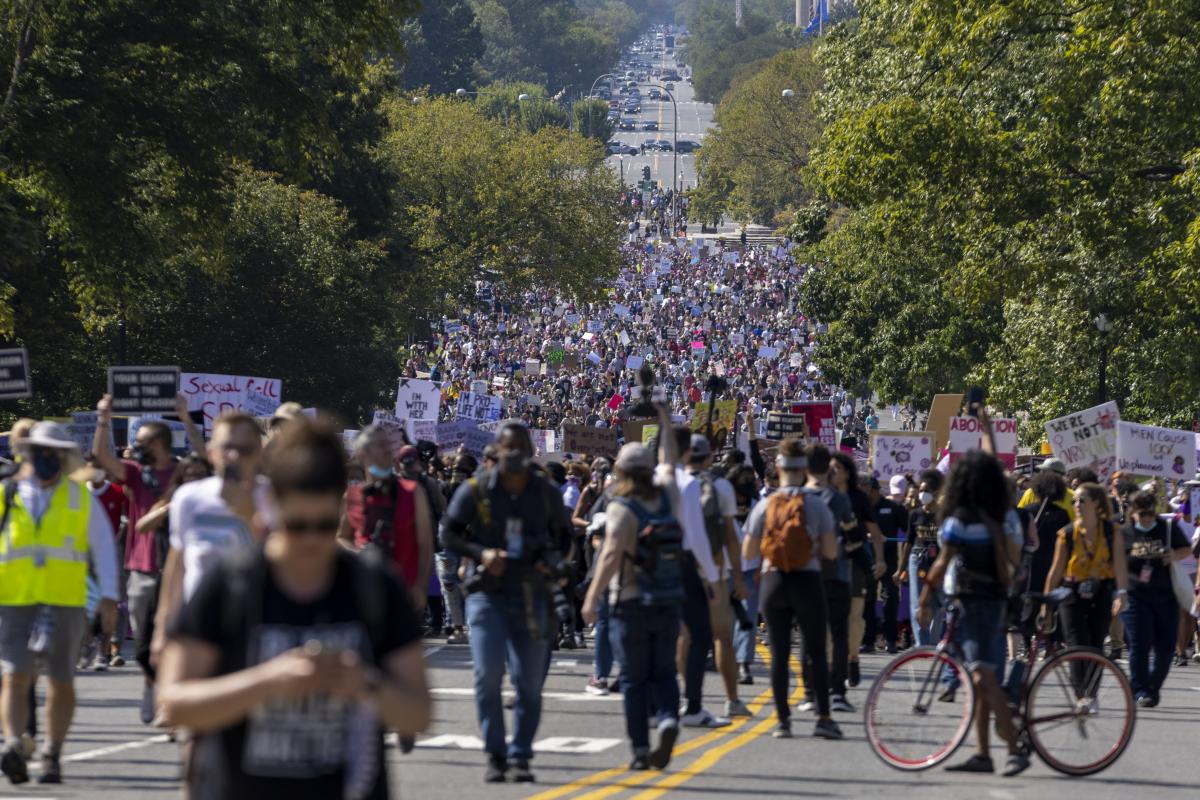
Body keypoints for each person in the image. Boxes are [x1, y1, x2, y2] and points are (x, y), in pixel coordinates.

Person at [158, 420, 431, 799]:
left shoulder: (373, 585)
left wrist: (364, 683)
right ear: (272, 506)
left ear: (341, 508)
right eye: (296, 525)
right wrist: (268, 682)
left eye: (323, 525)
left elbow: (418, 713)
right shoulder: (231, 582)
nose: (310, 540)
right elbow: (174, 704)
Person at [439, 421, 572, 783]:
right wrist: (481, 553)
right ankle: (496, 754)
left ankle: (521, 756)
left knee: (529, 683)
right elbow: (448, 534)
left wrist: (552, 561)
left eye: (520, 446)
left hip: (532, 594)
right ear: (496, 450)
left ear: (530, 451)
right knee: (487, 676)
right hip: (488, 595)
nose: (514, 452)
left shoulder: (545, 492)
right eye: (507, 446)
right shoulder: (476, 490)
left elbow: (564, 537)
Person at [0, 422, 120, 785]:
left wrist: (109, 597)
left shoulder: (80, 498)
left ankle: (52, 751)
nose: (46, 458)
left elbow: (103, 548)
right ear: (27, 453)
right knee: (14, 675)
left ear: (65, 457)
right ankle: (13, 745)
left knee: (61, 681)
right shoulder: (7, 493)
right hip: (14, 600)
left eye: (53, 452)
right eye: (40, 451)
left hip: (64, 601)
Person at [582, 401, 683, 769]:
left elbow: (610, 555)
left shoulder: (621, 508)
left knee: (633, 678)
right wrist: (665, 420)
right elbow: (670, 461)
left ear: (621, 471)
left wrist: (592, 597)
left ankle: (640, 750)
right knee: (665, 672)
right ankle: (668, 718)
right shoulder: (668, 496)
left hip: (630, 601)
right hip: (669, 599)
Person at [918, 445, 1028, 777]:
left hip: (972, 602)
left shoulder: (961, 519)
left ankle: (1015, 749)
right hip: (996, 600)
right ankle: (983, 754)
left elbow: (942, 562)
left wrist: (925, 598)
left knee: (982, 676)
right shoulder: (1001, 516)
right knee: (983, 680)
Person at [150, 413, 270, 688]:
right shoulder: (189, 498)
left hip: (254, 626)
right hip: (198, 625)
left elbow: (282, 561)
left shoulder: (273, 497)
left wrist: (250, 514)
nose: (234, 456)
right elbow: (178, 564)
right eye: (227, 447)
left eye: (245, 449)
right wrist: (162, 627)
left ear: (258, 454)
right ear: (212, 451)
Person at [92, 393, 204, 674]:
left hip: (178, 566)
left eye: (140, 443)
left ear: (158, 445)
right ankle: (152, 682)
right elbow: (102, 457)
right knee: (144, 641)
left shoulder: (183, 472)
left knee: (175, 637)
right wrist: (103, 419)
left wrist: (186, 417)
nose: (135, 448)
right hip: (142, 567)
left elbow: (206, 458)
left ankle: (167, 684)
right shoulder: (135, 473)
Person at [741, 437, 842, 740]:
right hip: (807, 579)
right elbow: (831, 552)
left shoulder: (765, 505)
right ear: (804, 469)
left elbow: (748, 552)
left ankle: (783, 721)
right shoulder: (816, 505)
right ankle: (823, 717)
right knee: (815, 650)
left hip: (773, 581)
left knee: (779, 653)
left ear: (780, 468)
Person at [125, 454, 212, 723]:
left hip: (201, 582)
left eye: (200, 475)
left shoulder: (213, 504)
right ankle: (151, 685)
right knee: (144, 648)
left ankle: (175, 704)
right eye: (189, 474)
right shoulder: (174, 501)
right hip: (167, 579)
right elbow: (142, 526)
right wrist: (170, 507)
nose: (194, 480)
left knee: (188, 644)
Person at [665, 427, 726, 729]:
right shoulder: (687, 484)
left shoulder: (654, 478)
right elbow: (696, 534)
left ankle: (658, 703)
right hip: (682, 562)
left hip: (652, 562)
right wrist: (712, 577)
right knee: (700, 635)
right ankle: (693, 705)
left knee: (663, 634)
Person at [687, 434, 750, 718]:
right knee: (722, 637)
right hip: (716, 571)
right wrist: (738, 578)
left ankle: (689, 700)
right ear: (711, 456)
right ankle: (732, 699)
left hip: (683, 569)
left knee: (684, 637)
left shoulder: (673, 482)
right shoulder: (721, 486)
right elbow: (730, 538)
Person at [339, 431, 434, 615]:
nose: (387, 450)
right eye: (379, 445)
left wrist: (420, 586)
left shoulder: (412, 491)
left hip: (404, 595)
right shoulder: (351, 496)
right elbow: (341, 537)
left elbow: (425, 544)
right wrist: (359, 553)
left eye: (387, 445)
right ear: (361, 453)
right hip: (364, 594)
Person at [1042, 482, 1129, 682]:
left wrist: (1122, 593)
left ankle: (1091, 691)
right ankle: (1080, 691)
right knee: (1076, 643)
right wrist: (1046, 605)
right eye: (1074, 501)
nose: (1077, 505)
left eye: (1082, 500)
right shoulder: (1066, 534)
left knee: (1095, 645)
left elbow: (1120, 566)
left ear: (1096, 503)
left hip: (1102, 590)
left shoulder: (1112, 532)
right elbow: (1055, 572)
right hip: (1072, 592)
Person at [1119, 490, 1190, 707]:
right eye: (1142, 514)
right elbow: (1116, 564)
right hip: (1135, 596)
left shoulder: (1166, 528)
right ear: (1132, 512)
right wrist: (1118, 593)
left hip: (1165, 596)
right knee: (1140, 644)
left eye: (1151, 513)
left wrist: (1174, 555)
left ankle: (1152, 686)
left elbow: (1186, 548)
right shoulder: (1124, 533)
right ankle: (1140, 690)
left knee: (1166, 647)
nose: (1147, 518)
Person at [798, 444, 855, 714]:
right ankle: (838, 693)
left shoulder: (796, 497)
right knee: (839, 635)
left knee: (808, 635)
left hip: (805, 574)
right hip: (837, 573)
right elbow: (853, 535)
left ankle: (809, 692)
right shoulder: (839, 499)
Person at [829, 452, 885, 688]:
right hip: (828, 563)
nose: (832, 473)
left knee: (854, 617)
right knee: (829, 619)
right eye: (829, 468)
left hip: (855, 562)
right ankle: (832, 668)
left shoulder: (859, 498)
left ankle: (853, 657)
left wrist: (879, 560)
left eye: (837, 468)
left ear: (847, 472)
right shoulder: (822, 495)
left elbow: (875, 533)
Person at [896, 470, 944, 645]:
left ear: (936, 493)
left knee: (939, 603)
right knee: (917, 603)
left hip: (938, 561)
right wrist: (900, 570)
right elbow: (908, 543)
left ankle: (933, 641)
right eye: (921, 490)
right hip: (917, 559)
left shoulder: (943, 515)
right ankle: (921, 644)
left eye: (926, 491)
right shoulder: (915, 514)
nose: (922, 494)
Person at [865, 476, 906, 654]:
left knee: (890, 598)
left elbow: (909, 530)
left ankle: (891, 640)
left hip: (889, 560)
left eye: (867, 491)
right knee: (867, 599)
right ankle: (868, 641)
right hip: (868, 559)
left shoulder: (892, 507)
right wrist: (869, 536)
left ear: (875, 490)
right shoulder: (862, 507)